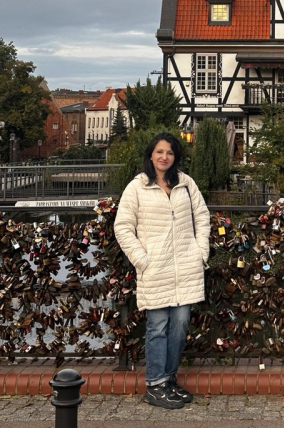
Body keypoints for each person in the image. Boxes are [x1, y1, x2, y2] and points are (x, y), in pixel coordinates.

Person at [114, 132, 210, 409]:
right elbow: (122, 227)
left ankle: (168, 380)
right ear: (150, 155)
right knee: (157, 327)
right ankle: (155, 384)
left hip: (185, 268)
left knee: (179, 326)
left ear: (175, 156)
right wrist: (142, 259)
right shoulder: (137, 187)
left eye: (169, 152)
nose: (164, 157)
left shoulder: (186, 183)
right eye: (159, 152)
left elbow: (202, 216)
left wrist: (200, 251)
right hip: (155, 269)